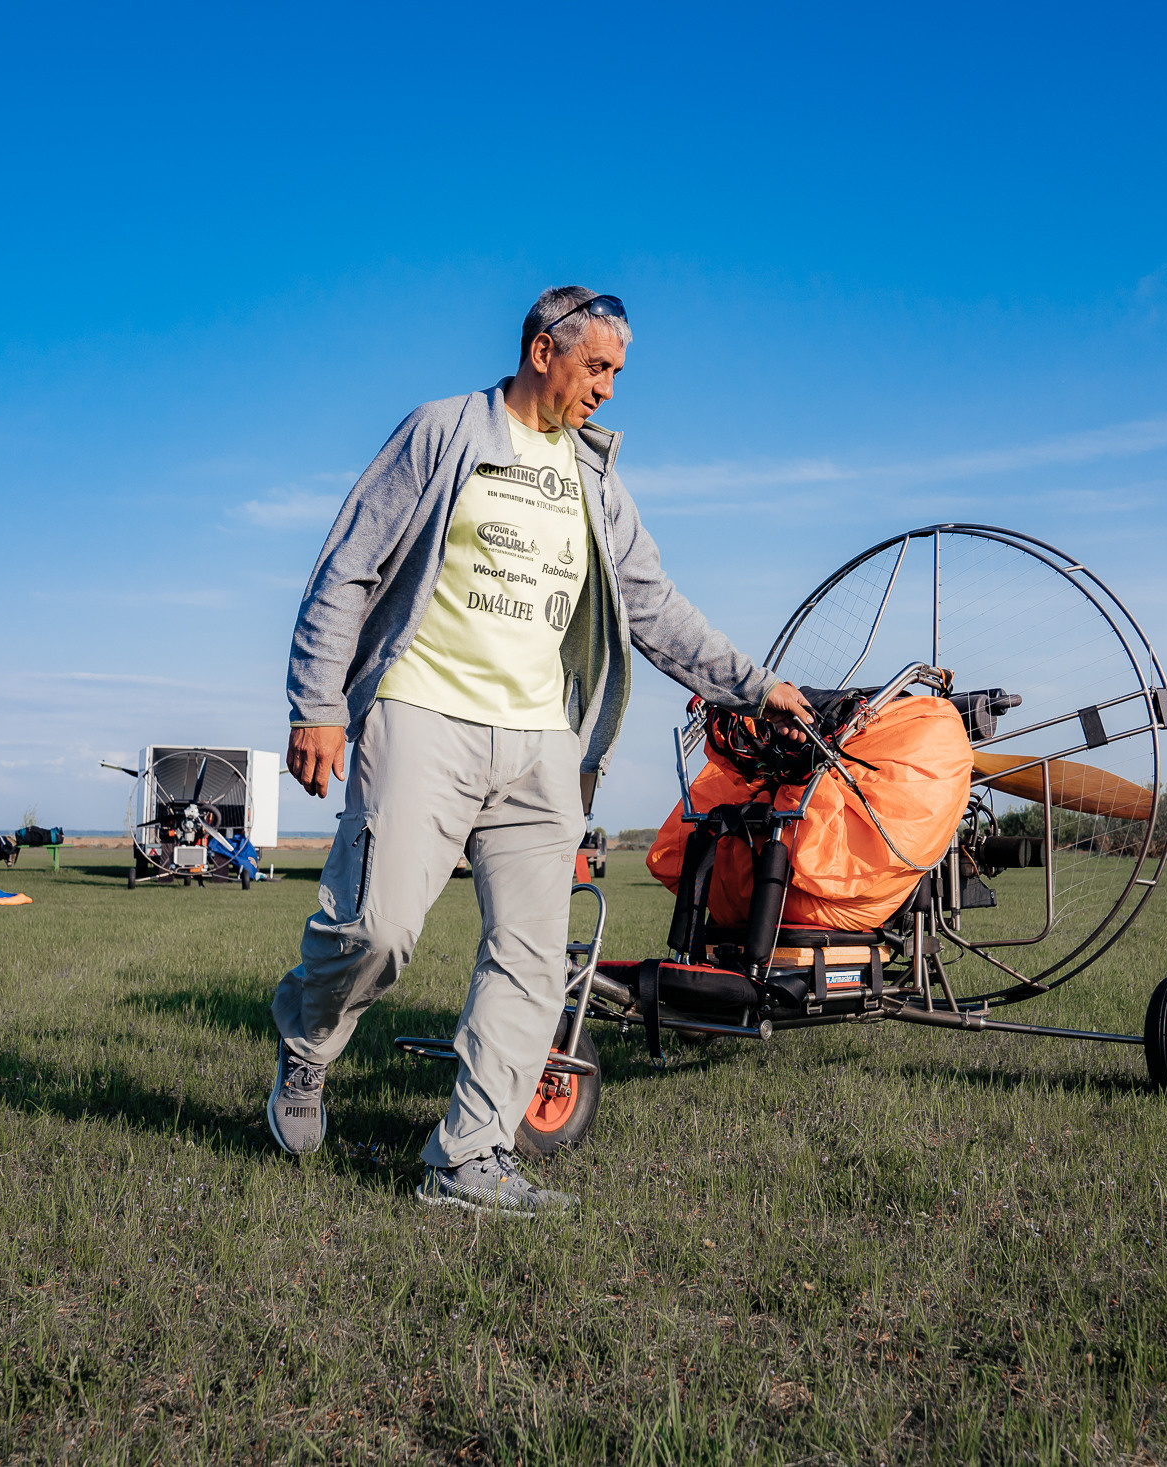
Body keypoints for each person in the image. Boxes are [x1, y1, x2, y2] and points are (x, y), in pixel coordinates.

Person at [273, 286, 813, 1215]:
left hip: (543, 745)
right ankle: (307, 1047)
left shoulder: (597, 482)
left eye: (616, 373)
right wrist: (317, 701)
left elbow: (654, 607)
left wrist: (754, 684)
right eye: (595, 367)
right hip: (422, 715)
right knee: (382, 928)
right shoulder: (443, 434)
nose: (606, 389)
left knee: (531, 957)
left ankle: (467, 1156)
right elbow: (348, 563)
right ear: (540, 350)